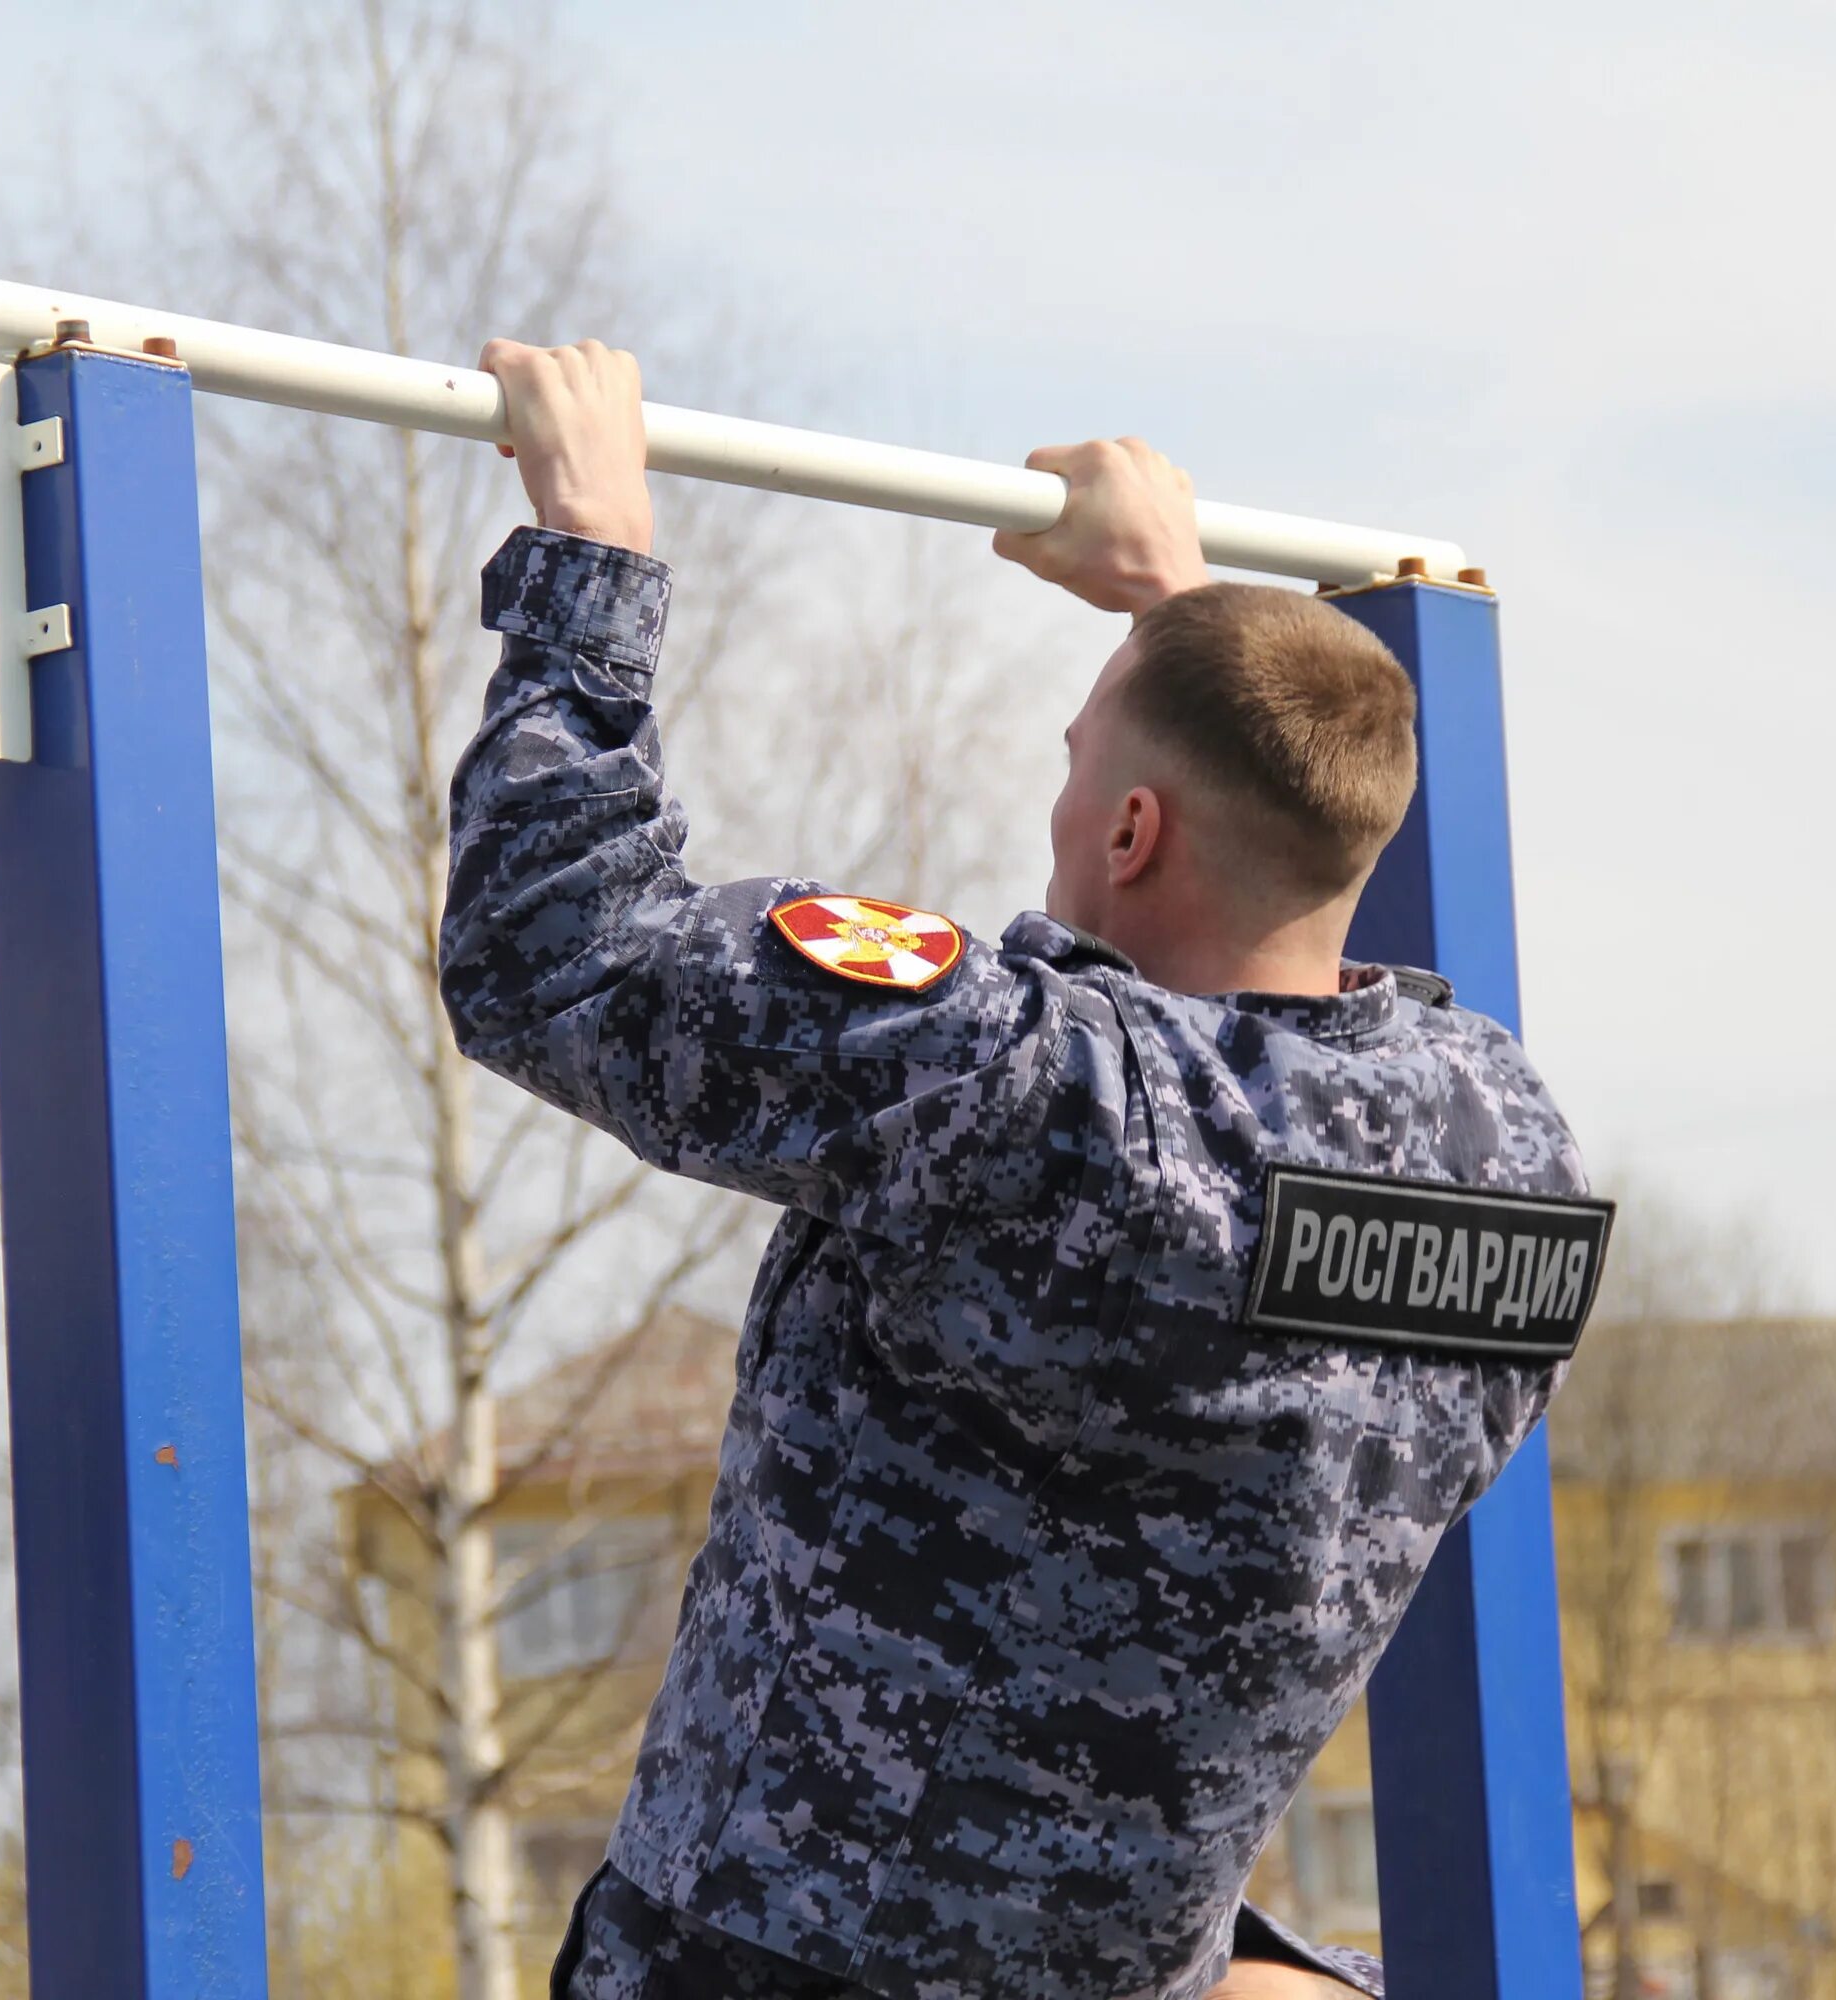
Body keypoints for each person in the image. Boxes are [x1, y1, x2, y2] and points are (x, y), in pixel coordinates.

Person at [441, 339, 1604, 2000]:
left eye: (1077, 775)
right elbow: (1265, 1041)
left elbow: (557, 950)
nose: (1059, 817)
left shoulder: (1050, 1100)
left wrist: (594, 541)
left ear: (1131, 832)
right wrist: (1185, 622)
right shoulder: (1511, 1154)